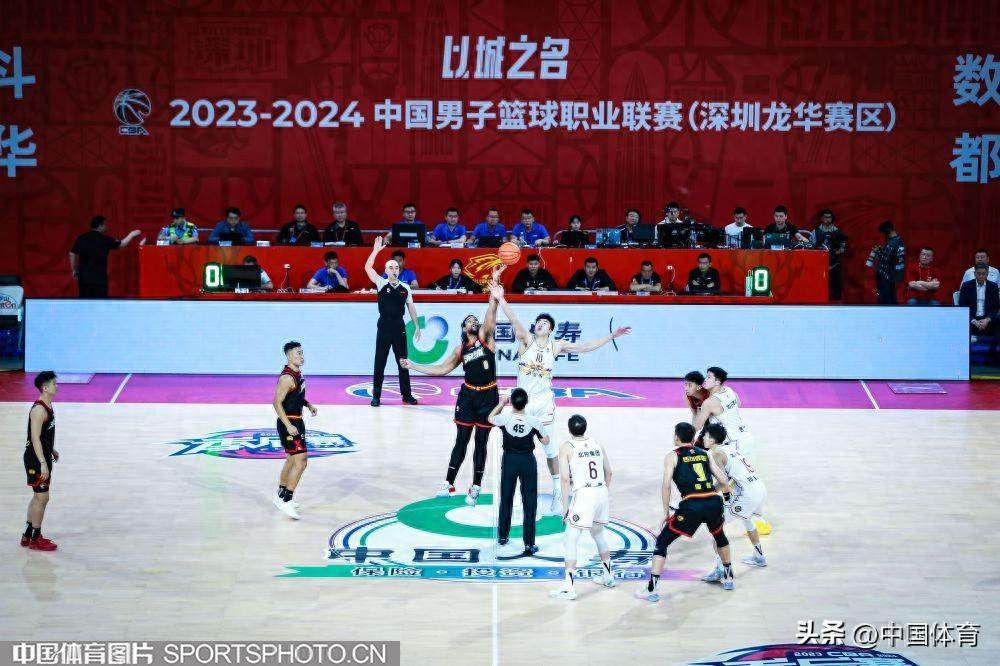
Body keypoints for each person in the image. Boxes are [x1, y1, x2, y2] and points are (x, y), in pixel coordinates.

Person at [491, 284, 630, 513]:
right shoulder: (526, 340)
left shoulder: (556, 346)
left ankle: (557, 490)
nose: (540, 324)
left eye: (545, 323)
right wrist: (501, 298)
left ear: (551, 330)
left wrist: (611, 336)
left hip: (544, 404)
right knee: (516, 447)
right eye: (538, 322)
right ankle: (513, 494)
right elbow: (514, 319)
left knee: (550, 451)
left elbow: (585, 346)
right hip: (522, 404)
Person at [402, 277, 502, 505]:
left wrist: (494, 295)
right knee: (461, 441)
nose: (474, 322)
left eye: (475, 320)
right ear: (464, 328)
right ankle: (449, 482)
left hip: (488, 396)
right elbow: (442, 369)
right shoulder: (460, 350)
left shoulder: (486, 339)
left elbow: (491, 315)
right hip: (467, 396)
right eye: (469, 320)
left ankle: (475, 486)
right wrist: (414, 366)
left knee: (481, 442)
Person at [635, 422, 734, 601]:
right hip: (713, 502)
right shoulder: (704, 453)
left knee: (662, 542)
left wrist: (666, 513)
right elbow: (724, 480)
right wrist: (709, 491)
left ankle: (651, 589)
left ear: (676, 437)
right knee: (720, 536)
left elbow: (666, 486)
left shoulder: (672, 456)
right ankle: (728, 578)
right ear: (693, 438)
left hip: (691, 505)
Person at [693, 366, 772, 534]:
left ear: (717, 382)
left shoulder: (709, 403)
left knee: (731, 481)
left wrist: (696, 409)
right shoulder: (729, 390)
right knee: (743, 480)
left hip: (735, 443)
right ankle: (758, 521)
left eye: (709, 377)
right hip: (747, 439)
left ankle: (708, 507)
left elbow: (697, 426)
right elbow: (739, 403)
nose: (705, 380)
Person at [549, 414, 616, 601]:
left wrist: (565, 507)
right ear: (585, 428)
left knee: (570, 538)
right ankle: (608, 576)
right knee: (598, 534)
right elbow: (609, 472)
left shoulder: (567, 447)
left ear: (569, 429)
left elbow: (564, 479)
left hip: (585, 494)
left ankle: (569, 587)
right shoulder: (597, 444)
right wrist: (602, 493)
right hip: (601, 491)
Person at [700, 423, 767, 584]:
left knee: (717, 527)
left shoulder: (716, 454)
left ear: (712, 440)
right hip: (758, 487)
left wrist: (706, 493)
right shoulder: (730, 448)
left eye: (705, 436)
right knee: (747, 518)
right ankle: (759, 556)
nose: (703, 438)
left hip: (747, 494)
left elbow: (722, 482)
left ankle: (721, 571)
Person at [488, 389, 550, 556]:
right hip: (527, 461)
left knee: (506, 498)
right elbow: (546, 441)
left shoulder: (504, 418)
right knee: (530, 503)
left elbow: (490, 418)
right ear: (526, 402)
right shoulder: (534, 421)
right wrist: (539, 432)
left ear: (512, 402)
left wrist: (501, 403)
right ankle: (529, 544)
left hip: (509, 460)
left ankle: (502, 536)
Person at [365, 236, 422, 406]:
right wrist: (375, 251)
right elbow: (367, 267)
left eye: (396, 267)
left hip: (399, 327)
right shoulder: (381, 283)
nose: (394, 269)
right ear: (386, 270)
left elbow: (411, 307)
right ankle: (376, 396)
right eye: (391, 267)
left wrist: (417, 325)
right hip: (384, 327)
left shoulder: (405, 288)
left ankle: (407, 395)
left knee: (403, 362)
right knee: (380, 362)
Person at [272, 342, 318, 520]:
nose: (302, 356)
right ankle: (287, 500)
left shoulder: (298, 374)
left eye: (302, 352)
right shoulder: (287, 378)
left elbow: (296, 397)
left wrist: (308, 404)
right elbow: (277, 403)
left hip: (297, 421)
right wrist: (288, 426)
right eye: (298, 353)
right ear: (289, 356)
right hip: (290, 423)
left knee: (292, 460)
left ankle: (281, 495)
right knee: (302, 462)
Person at [21, 371, 59, 551]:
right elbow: (35, 438)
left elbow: (44, 435)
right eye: (54, 384)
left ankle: (27, 534)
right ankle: (36, 538)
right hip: (36, 460)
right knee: (43, 497)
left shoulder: (48, 405)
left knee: (37, 496)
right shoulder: (39, 410)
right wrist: (43, 463)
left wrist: (52, 449)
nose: (57, 386)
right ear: (45, 388)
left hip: (42, 456)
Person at [69, 216, 141, 298]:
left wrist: (74, 270)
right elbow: (122, 244)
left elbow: (72, 254)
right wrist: (132, 234)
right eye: (105, 224)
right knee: (100, 303)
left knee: (84, 302)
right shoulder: (105, 239)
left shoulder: (81, 238)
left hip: (84, 279)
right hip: (100, 279)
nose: (106, 226)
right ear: (100, 225)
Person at [959, 264, 1000, 355]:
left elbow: (996, 307)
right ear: (974, 274)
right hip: (971, 318)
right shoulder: (966, 286)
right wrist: (973, 320)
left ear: (987, 274)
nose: (981, 276)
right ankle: (963, 353)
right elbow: (962, 306)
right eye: (978, 274)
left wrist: (987, 319)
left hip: (987, 319)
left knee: (998, 319)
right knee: (960, 320)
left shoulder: (993, 286)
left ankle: (992, 353)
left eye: (984, 274)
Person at [811, 209, 847, 300]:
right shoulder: (815, 232)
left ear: (832, 218)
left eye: (829, 217)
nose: (827, 219)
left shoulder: (838, 232)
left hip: (834, 264)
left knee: (836, 289)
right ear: (821, 218)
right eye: (825, 217)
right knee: (818, 288)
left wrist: (836, 252)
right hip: (819, 265)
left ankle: (836, 306)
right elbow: (811, 247)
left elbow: (843, 248)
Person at [867, 220, 905, 304]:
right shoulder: (900, 241)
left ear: (887, 231)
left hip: (885, 275)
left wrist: (877, 251)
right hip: (892, 275)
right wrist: (882, 250)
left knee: (884, 299)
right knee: (892, 296)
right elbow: (893, 257)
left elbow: (885, 259)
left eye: (884, 233)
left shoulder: (891, 243)